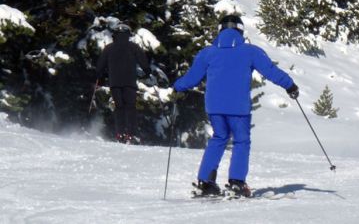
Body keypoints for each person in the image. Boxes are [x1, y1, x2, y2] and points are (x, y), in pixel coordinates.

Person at [173, 15, 299, 198]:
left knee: (219, 138)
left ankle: (206, 182)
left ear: (220, 30)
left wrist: (177, 87)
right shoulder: (250, 51)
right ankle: (237, 183)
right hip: (238, 107)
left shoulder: (207, 53)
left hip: (214, 107)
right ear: (240, 30)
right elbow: (270, 71)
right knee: (241, 141)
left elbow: (192, 77)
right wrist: (290, 85)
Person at [96, 22, 150, 144]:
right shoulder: (134, 47)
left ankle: (120, 133)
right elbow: (143, 61)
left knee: (119, 107)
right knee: (130, 107)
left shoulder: (109, 48)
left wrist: (99, 75)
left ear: (115, 35)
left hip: (114, 82)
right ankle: (131, 134)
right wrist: (147, 72)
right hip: (129, 82)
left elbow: (100, 65)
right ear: (128, 34)